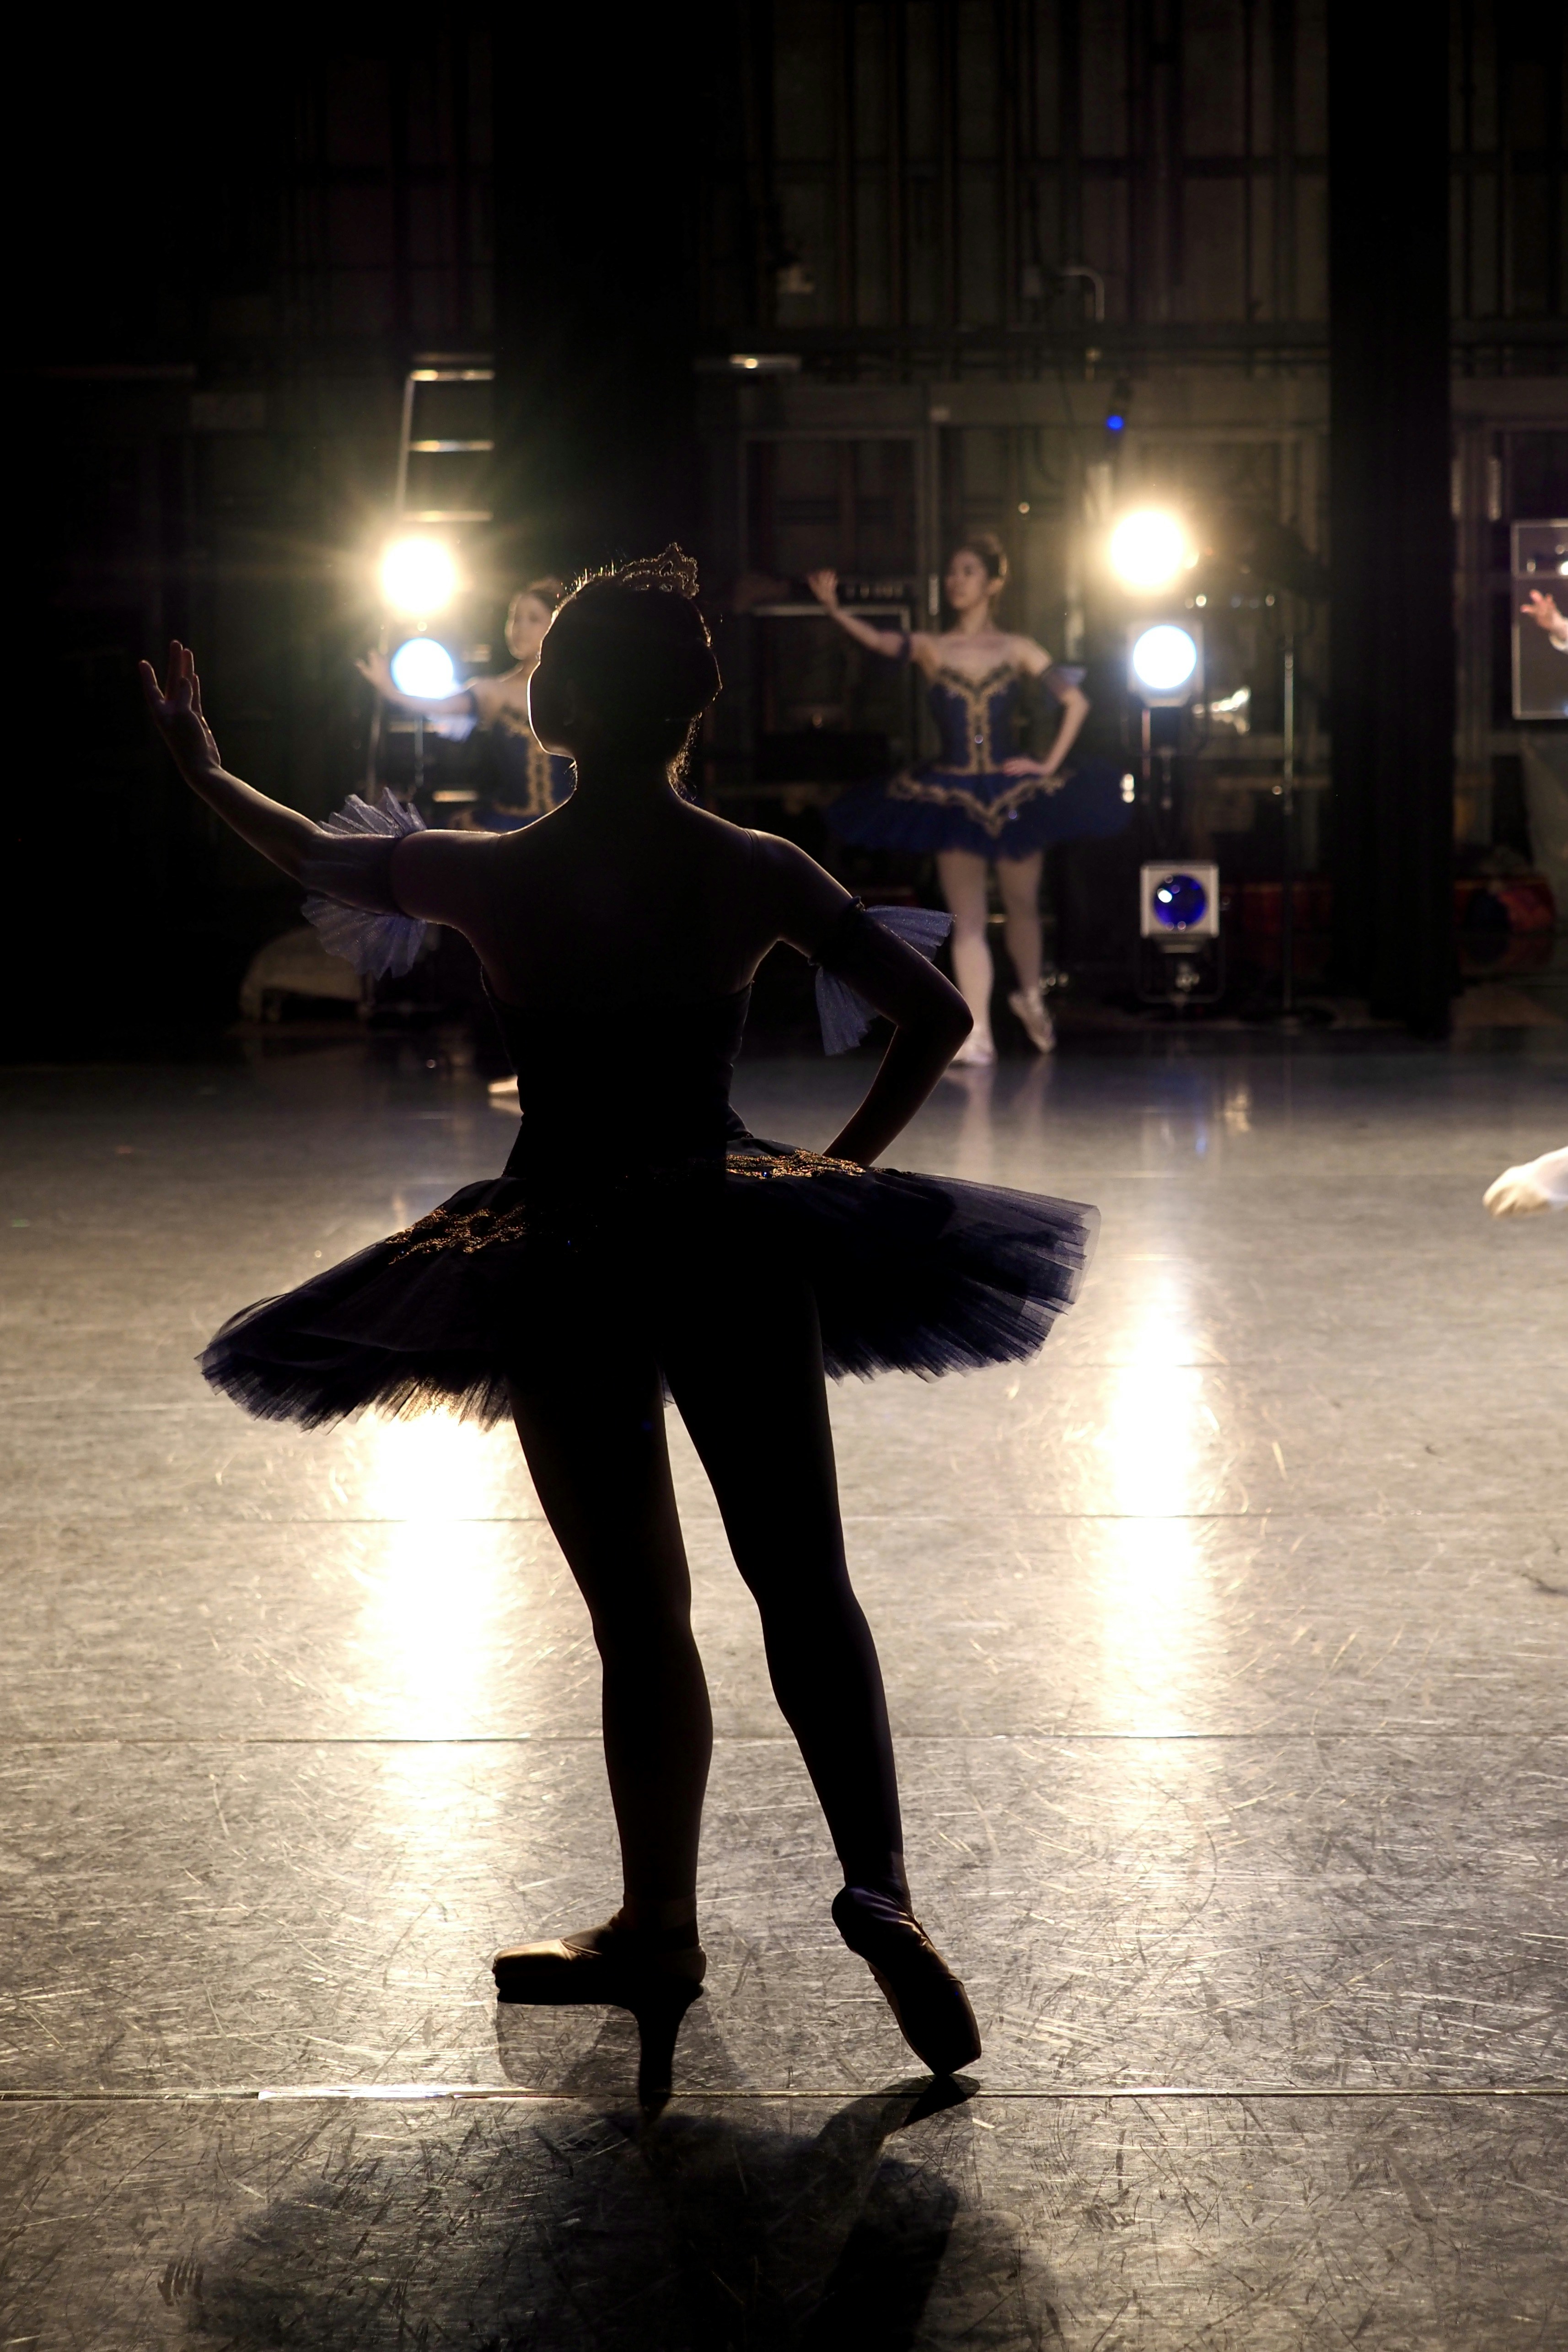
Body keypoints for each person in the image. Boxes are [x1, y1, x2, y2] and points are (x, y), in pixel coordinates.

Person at [140, 549, 1099, 2107]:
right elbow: (931, 1013)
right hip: (730, 1232)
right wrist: (829, 1178)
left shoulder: (496, 874)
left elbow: (312, 849)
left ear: (563, 709)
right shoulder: (753, 866)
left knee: (637, 1617)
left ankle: (661, 1924)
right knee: (804, 1582)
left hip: (562, 1246)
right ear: (697, 709)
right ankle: (878, 1888)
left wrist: (198, 763)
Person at [808, 536, 1127, 1065]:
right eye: (952, 572)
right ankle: (977, 1032)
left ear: (992, 583)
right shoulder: (934, 647)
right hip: (951, 792)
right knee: (969, 916)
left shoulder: (1018, 647)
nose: (956, 580)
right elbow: (881, 642)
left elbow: (1076, 700)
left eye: (968, 571)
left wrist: (1047, 765)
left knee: (1022, 903)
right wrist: (834, 610)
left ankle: (1029, 996)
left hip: (1012, 790)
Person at [358, 578, 573, 829]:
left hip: (570, 825)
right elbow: (443, 705)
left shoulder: (573, 690)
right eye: (515, 618)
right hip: (507, 826)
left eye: (533, 619)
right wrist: (392, 692)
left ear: (554, 625)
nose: (520, 628)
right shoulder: (493, 691)